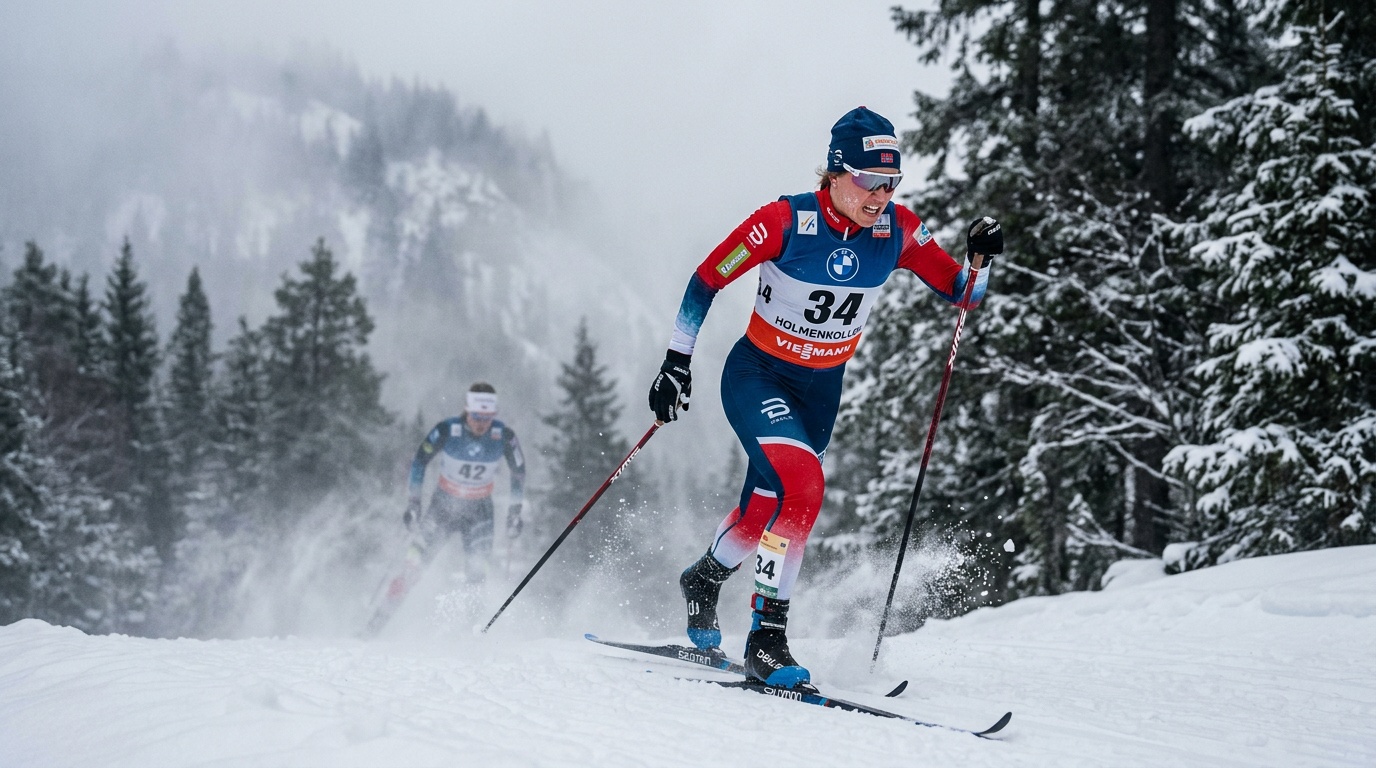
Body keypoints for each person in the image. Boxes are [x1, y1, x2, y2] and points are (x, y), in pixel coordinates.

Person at [646, 106, 1003, 690]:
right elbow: (707, 278)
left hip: (820, 392)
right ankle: (767, 639)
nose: (880, 196)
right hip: (757, 376)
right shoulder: (784, 222)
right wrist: (675, 363)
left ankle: (705, 578)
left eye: (891, 183)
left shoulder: (898, 232)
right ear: (835, 173)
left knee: (764, 508)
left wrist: (981, 260)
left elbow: (963, 294)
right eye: (868, 181)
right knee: (805, 488)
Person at [366, 382, 527, 635]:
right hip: (443, 507)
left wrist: (515, 513)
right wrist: (413, 504)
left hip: (480, 512)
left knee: (476, 573)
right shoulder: (448, 430)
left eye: (487, 417)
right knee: (413, 564)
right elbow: (420, 461)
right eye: (476, 416)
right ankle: (375, 625)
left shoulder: (503, 436)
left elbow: (518, 472)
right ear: (467, 410)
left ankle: (470, 634)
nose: (481, 423)